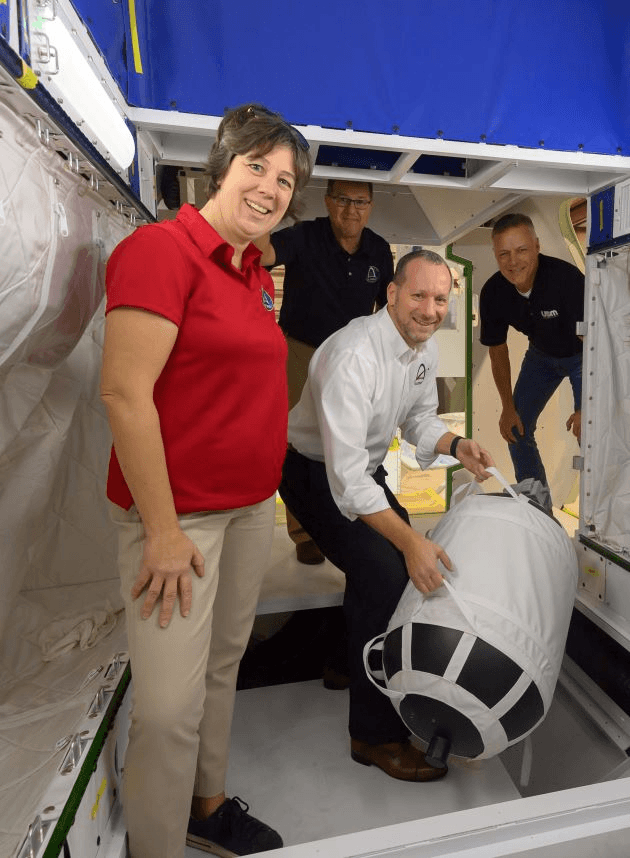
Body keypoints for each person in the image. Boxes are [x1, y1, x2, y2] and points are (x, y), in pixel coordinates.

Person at [100, 103, 311, 858]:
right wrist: (160, 531)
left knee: (223, 667)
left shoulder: (254, 272)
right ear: (221, 167)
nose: (270, 188)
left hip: (251, 509)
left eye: (286, 179)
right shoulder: (161, 252)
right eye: (257, 166)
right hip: (179, 521)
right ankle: (154, 846)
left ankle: (207, 806)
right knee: (166, 706)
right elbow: (125, 393)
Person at [279, 249, 495, 781]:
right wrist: (409, 543)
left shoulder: (420, 348)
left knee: (389, 566)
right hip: (312, 471)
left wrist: (456, 442)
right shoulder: (353, 356)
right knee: (386, 571)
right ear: (392, 294)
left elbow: (419, 419)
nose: (430, 308)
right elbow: (347, 481)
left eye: (440, 298)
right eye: (418, 295)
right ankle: (372, 737)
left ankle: (340, 660)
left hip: (361, 470)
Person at [257, 179, 393, 565]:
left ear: (371, 205)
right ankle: (304, 531)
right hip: (301, 351)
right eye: (344, 200)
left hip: (351, 359)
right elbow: (263, 254)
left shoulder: (379, 250)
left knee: (349, 438)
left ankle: (349, 517)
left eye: (361, 202)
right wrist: (269, 202)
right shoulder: (305, 236)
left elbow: (387, 310)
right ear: (328, 201)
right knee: (294, 442)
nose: (352, 210)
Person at [479, 213, 584, 506]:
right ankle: (539, 510)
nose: (513, 262)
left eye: (522, 250)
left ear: (536, 246)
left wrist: (586, 405)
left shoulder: (567, 280)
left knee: (590, 428)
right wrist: (507, 408)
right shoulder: (493, 293)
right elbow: (498, 350)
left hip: (581, 356)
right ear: (495, 255)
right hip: (541, 356)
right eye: (504, 254)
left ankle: (599, 516)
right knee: (516, 428)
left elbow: (594, 344)